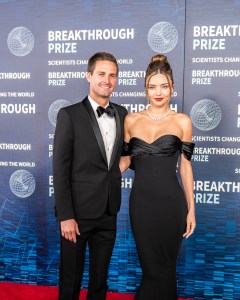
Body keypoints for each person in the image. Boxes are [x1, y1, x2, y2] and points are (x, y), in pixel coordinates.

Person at [120, 54, 196, 300]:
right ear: (145, 89)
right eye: (152, 87)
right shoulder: (131, 121)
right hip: (141, 205)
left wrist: (191, 210)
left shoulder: (182, 121)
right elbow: (125, 161)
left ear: (172, 87)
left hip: (171, 205)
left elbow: (185, 168)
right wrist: (95, 174)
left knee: (165, 269)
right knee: (150, 270)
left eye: (164, 86)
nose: (158, 92)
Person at [53, 52, 128, 300]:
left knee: (99, 283)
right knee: (70, 282)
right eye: (102, 74)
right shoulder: (69, 115)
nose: (107, 80)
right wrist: (66, 216)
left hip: (108, 212)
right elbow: (60, 169)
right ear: (89, 76)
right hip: (76, 216)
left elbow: (123, 157)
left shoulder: (123, 113)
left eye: (112, 75)